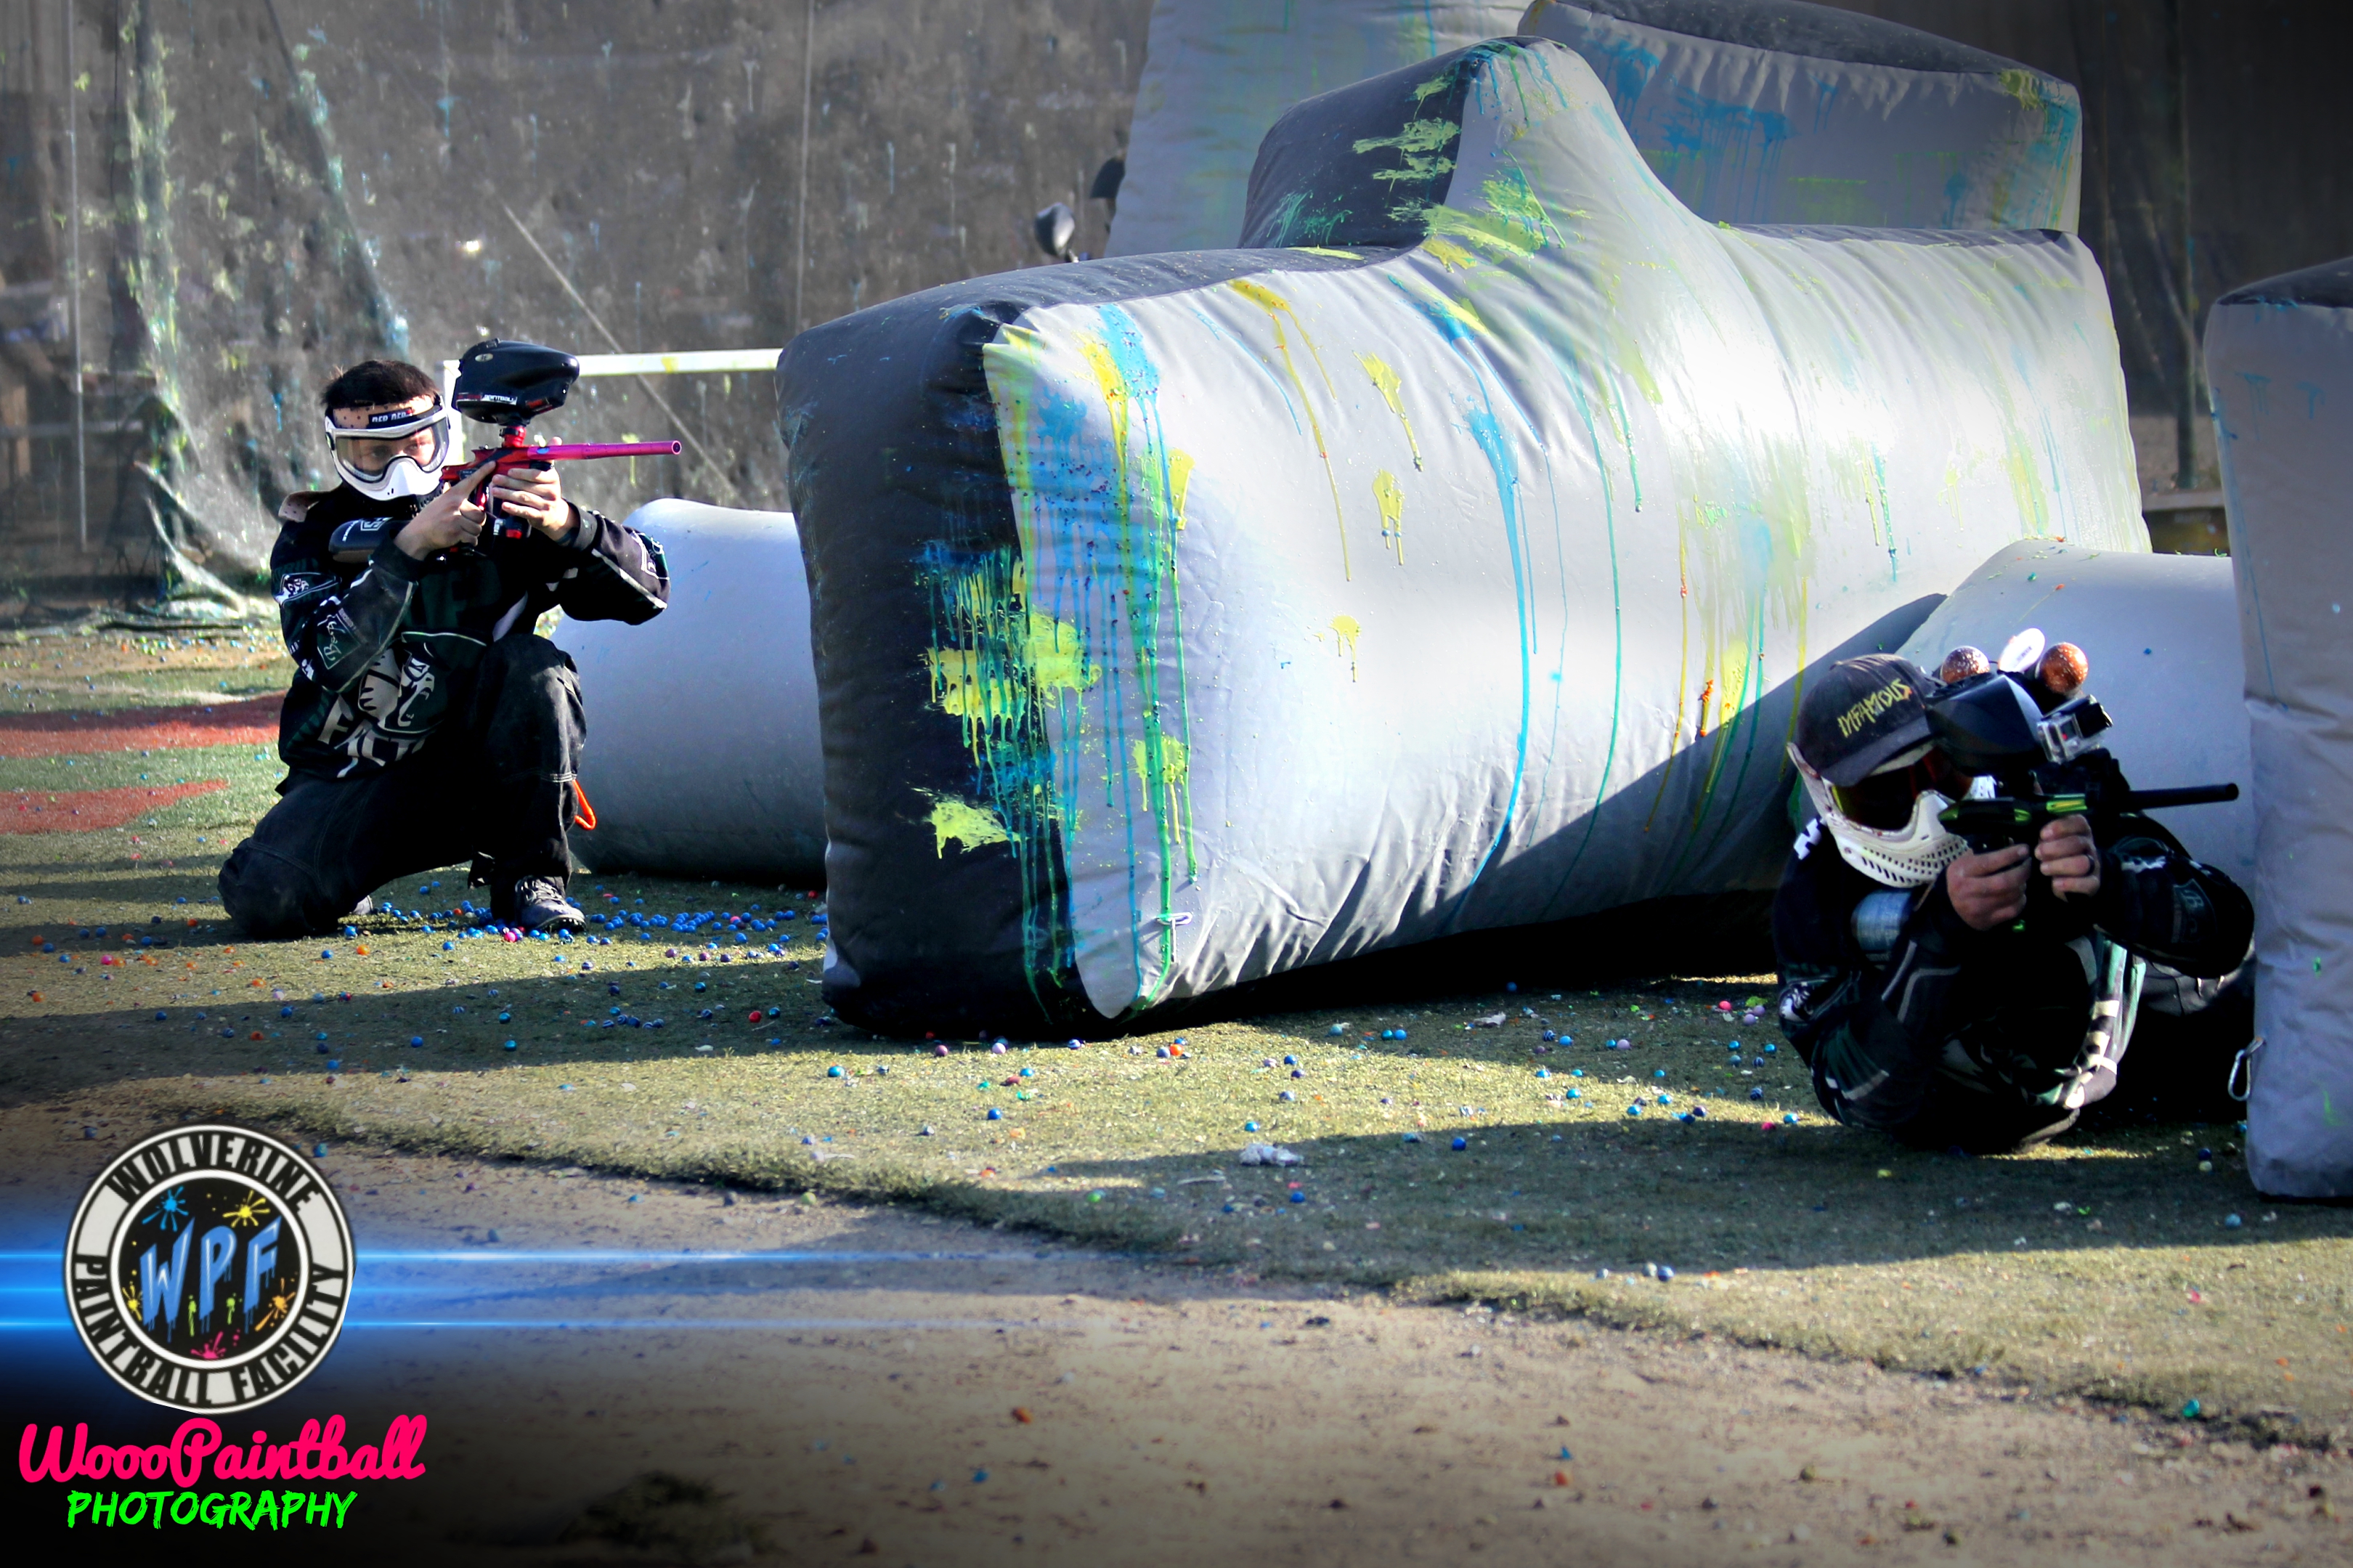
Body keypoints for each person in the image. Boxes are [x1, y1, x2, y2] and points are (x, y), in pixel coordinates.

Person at [220, 357, 668, 935]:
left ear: (443, 436)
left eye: (417, 445)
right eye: (374, 453)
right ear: (340, 451)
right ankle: (347, 872)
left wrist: (565, 524)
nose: (400, 467)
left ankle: (532, 878)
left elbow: (650, 594)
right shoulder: (313, 533)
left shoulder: (503, 518)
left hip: (480, 781)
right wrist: (407, 550)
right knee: (267, 897)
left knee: (536, 669)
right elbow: (328, 659)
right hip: (353, 780)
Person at [1772, 651, 2253, 1153]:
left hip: (2191, 1057)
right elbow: (1856, 1095)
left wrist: (2107, 883)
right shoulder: (1815, 888)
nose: (1929, 812)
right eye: (1884, 794)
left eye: (1941, 770)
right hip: (1993, 1108)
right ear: (1826, 796)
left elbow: (2228, 932)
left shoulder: (2037, 780)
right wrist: (1936, 934)